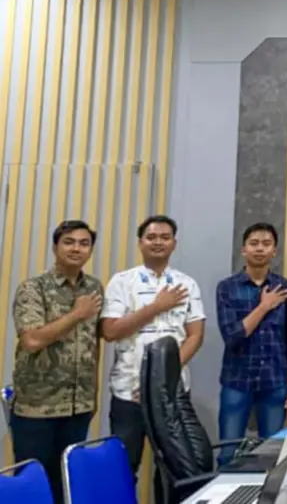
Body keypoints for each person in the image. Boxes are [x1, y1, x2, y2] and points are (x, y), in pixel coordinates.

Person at [101, 215, 206, 476]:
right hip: (128, 392)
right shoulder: (121, 282)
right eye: (151, 237)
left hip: (173, 392)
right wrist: (157, 307)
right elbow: (110, 331)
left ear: (174, 244)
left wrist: (161, 377)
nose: (158, 242)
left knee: (176, 468)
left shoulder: (187, 284)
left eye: (165, 237)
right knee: (124, 468)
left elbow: (195, 336)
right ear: (140, 242)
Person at [10, 220, 104, 504]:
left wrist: (93, 394)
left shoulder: (94, 288)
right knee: (34, 486)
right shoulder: (33, 288)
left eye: (84, 243)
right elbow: (32, 341)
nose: (76, 248)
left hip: (79, 406)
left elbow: (93, 343)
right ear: (55, 247)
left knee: (68, 483)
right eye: (69, 242)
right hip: (37, 407)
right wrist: (76, 314)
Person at [214, 223, 287, 463]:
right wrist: (264, 306)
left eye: (266, 244)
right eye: (254, 243)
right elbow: (232, 336)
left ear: (274, 250)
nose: (260, 249)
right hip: (237, 381)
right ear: (243, 249)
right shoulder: (227, 287)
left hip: (274, 381)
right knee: (229, 453)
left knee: (273, 453)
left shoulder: (284, 287)